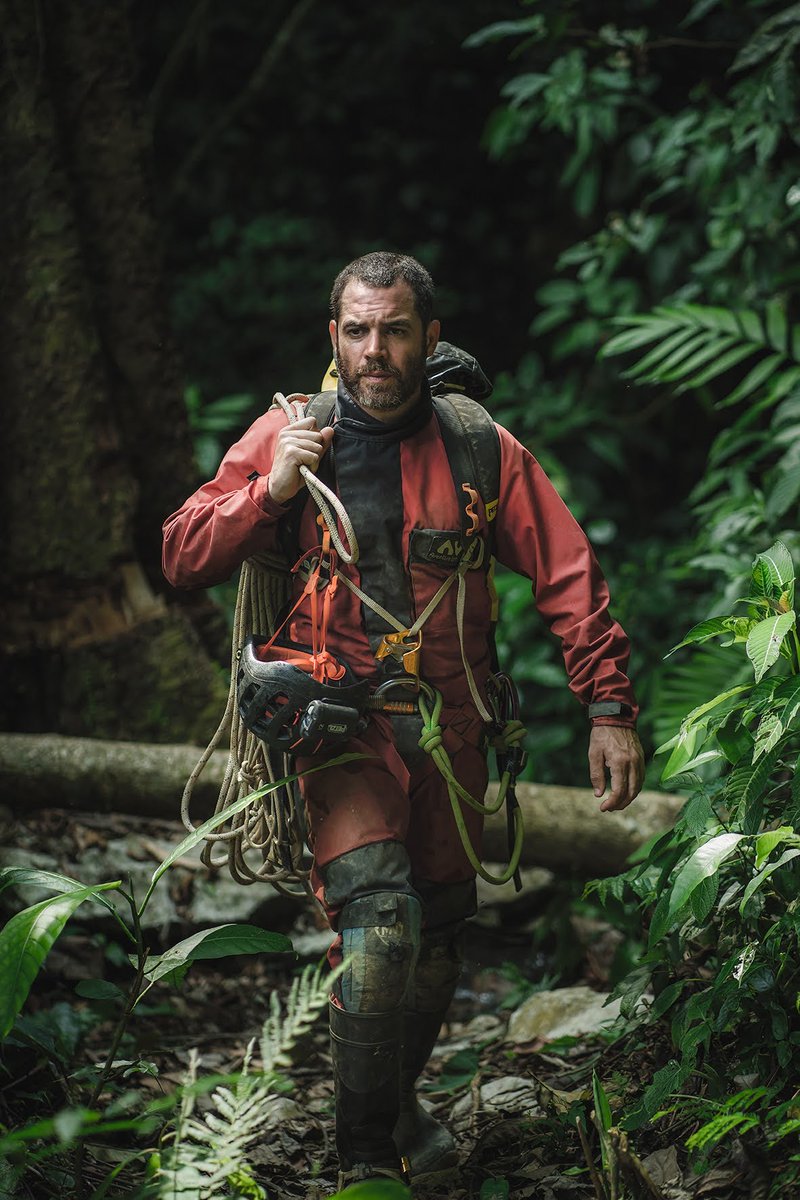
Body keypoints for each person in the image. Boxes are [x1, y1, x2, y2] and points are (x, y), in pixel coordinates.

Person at [162, 251, 645, 1190]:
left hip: (453, 733)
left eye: (392, 330)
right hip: (336, 729)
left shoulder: (478, 446)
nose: (373, 351)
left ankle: (393, 1101)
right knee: (381, 925)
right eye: (355, 332)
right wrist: (271, 492)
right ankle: (363, 1162)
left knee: (440, 934)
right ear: (332, 340)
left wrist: (609, 706)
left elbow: (567, 574)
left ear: (429, 335)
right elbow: (182, 553)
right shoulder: (291, 434)